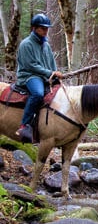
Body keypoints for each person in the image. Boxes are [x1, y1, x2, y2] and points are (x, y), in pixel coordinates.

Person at [15, 13, 64, 143]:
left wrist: (55, 74)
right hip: (29, 76)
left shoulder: (46, 45)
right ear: (34, 28)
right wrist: (49, 73)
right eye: (42, 28)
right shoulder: (26, 44)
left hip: (44, 76)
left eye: (46, 28)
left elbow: (51, 62)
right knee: (37, 94)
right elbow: (31, 65)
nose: (45, 31)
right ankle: (24, 125)